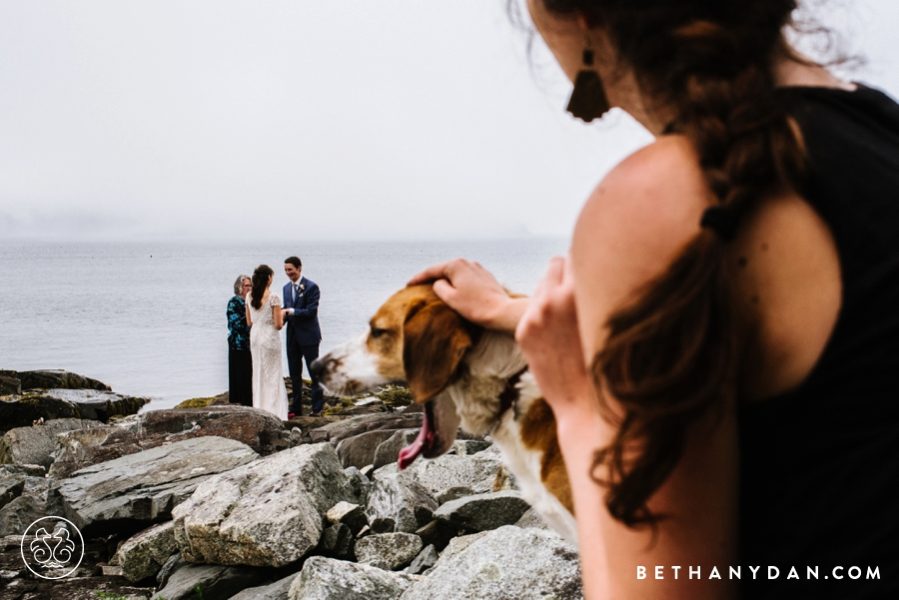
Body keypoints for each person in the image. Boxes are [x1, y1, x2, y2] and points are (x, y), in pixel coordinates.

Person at [410, 1, 899, 598]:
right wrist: (517, 311)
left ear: (581, 12)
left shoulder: (653, 207)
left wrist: (579, 400)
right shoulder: (877, 130)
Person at [282, 256, 324, 416]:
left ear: (299, 268)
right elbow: (285, 309)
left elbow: (311, 311)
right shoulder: (286, 288)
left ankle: (317, 408)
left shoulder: (312, 287)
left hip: (309, 337)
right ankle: (296, 408)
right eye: (286, 270)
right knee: (294, 374)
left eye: (290, 270)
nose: (288, 273)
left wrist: (291, 311)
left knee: (314, 374)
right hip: (292, 336)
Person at [246, 264, 288, 420]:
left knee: (258, 371)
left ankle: (259, 406)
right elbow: (278, 325)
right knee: (273, 373)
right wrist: (283, 313)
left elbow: (250, 321)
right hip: (269, 336)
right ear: (269, 278)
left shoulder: (249, 296)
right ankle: (274, 410)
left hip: (255, 336)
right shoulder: (273, 297)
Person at [227, 274, 253, 406]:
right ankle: (240, 401)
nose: (249, 288)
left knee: (250, 374)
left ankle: (251, 400)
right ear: (239, 287)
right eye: (246, 285)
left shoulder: (253, 301)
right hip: (238, 344)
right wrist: (250, 323)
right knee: (240, 374)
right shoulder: (234, 302)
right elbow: (235, 324)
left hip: (252, 344)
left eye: (250, 285)